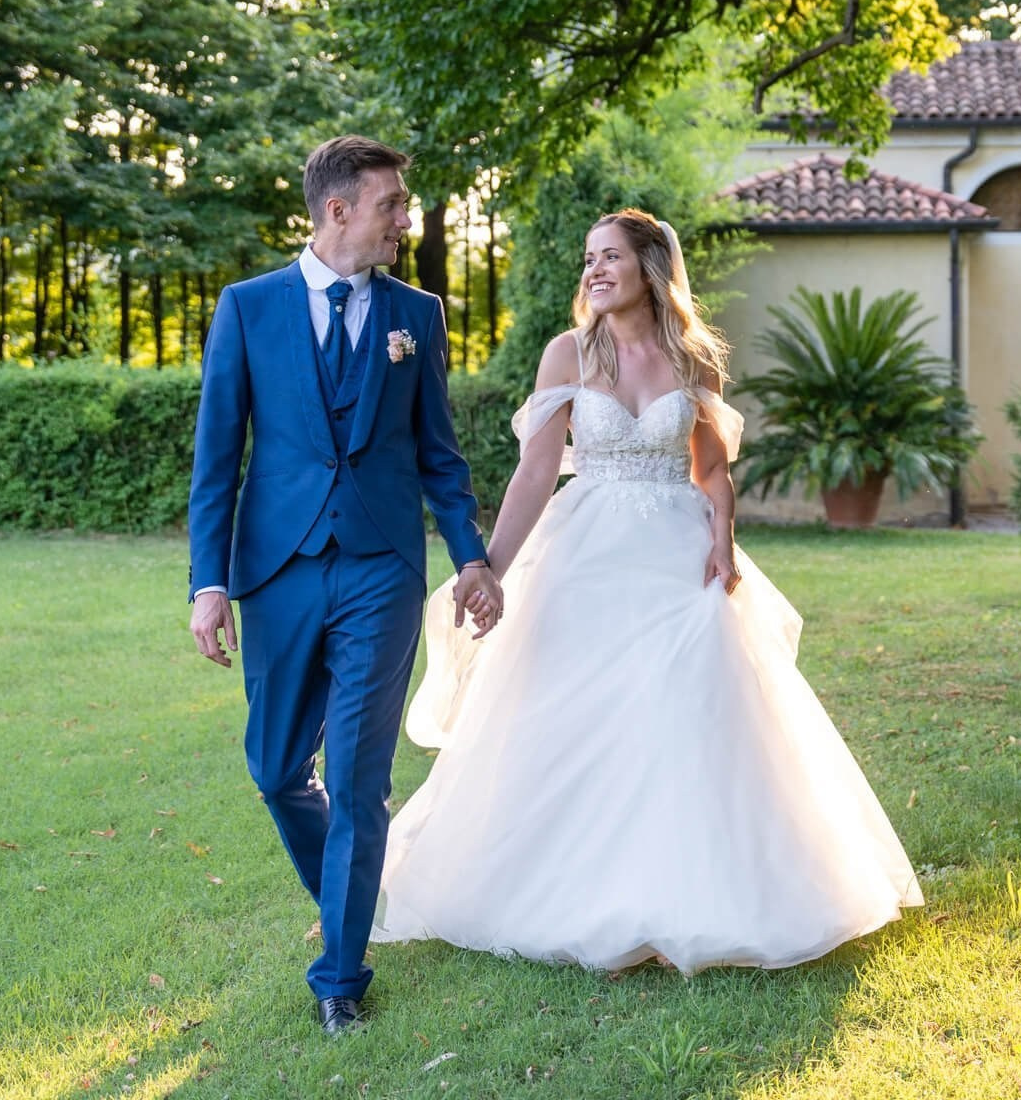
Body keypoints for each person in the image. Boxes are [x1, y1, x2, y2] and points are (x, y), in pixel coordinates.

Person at [372, 208, 923, 973]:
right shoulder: (567, 354)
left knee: (687, 707)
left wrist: (723, 540)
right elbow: (536, 471)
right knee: (574, 710)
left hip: (678, 550)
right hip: (586, 551)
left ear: (650, 268)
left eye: (610, 258)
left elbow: (711, 469)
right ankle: (571, 887)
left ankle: (695, 891)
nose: (594, 270)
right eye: (588, 258)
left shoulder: (694, 359)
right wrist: (487, 566)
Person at [185, 135, 504, 1036]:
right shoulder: (248, 309)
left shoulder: (419, 313)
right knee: (279, 771)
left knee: (360, 780)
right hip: (277, 572)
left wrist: (469, 557)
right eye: (393, 205)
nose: (406, 220)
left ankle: (339, 976)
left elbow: (440, 456)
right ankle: (351, 891)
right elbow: (217, 463)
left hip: (380, 570)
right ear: (338, 211)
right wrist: (209, 584)